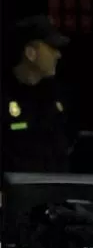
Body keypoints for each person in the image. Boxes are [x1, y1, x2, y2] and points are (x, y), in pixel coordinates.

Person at [1, 15, 73, 177]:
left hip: (55, 193)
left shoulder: (55, 93)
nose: (58, 55)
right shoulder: (5, 95)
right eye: (52, 48)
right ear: (30, 53)